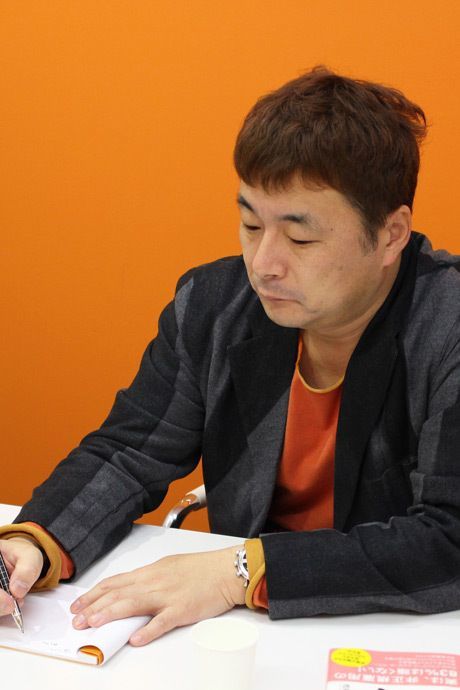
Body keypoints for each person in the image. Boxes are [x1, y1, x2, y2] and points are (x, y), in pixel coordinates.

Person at [1, 65, 460, 646]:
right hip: (244, 631)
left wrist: (238, 572)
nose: (263, 264)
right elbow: (128, 453)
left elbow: (449, 537)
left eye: (300, 238)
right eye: (250, 224)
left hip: (394, 631)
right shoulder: (215, 306)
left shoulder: (447, 326)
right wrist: (33, 540)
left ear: (391, 235)